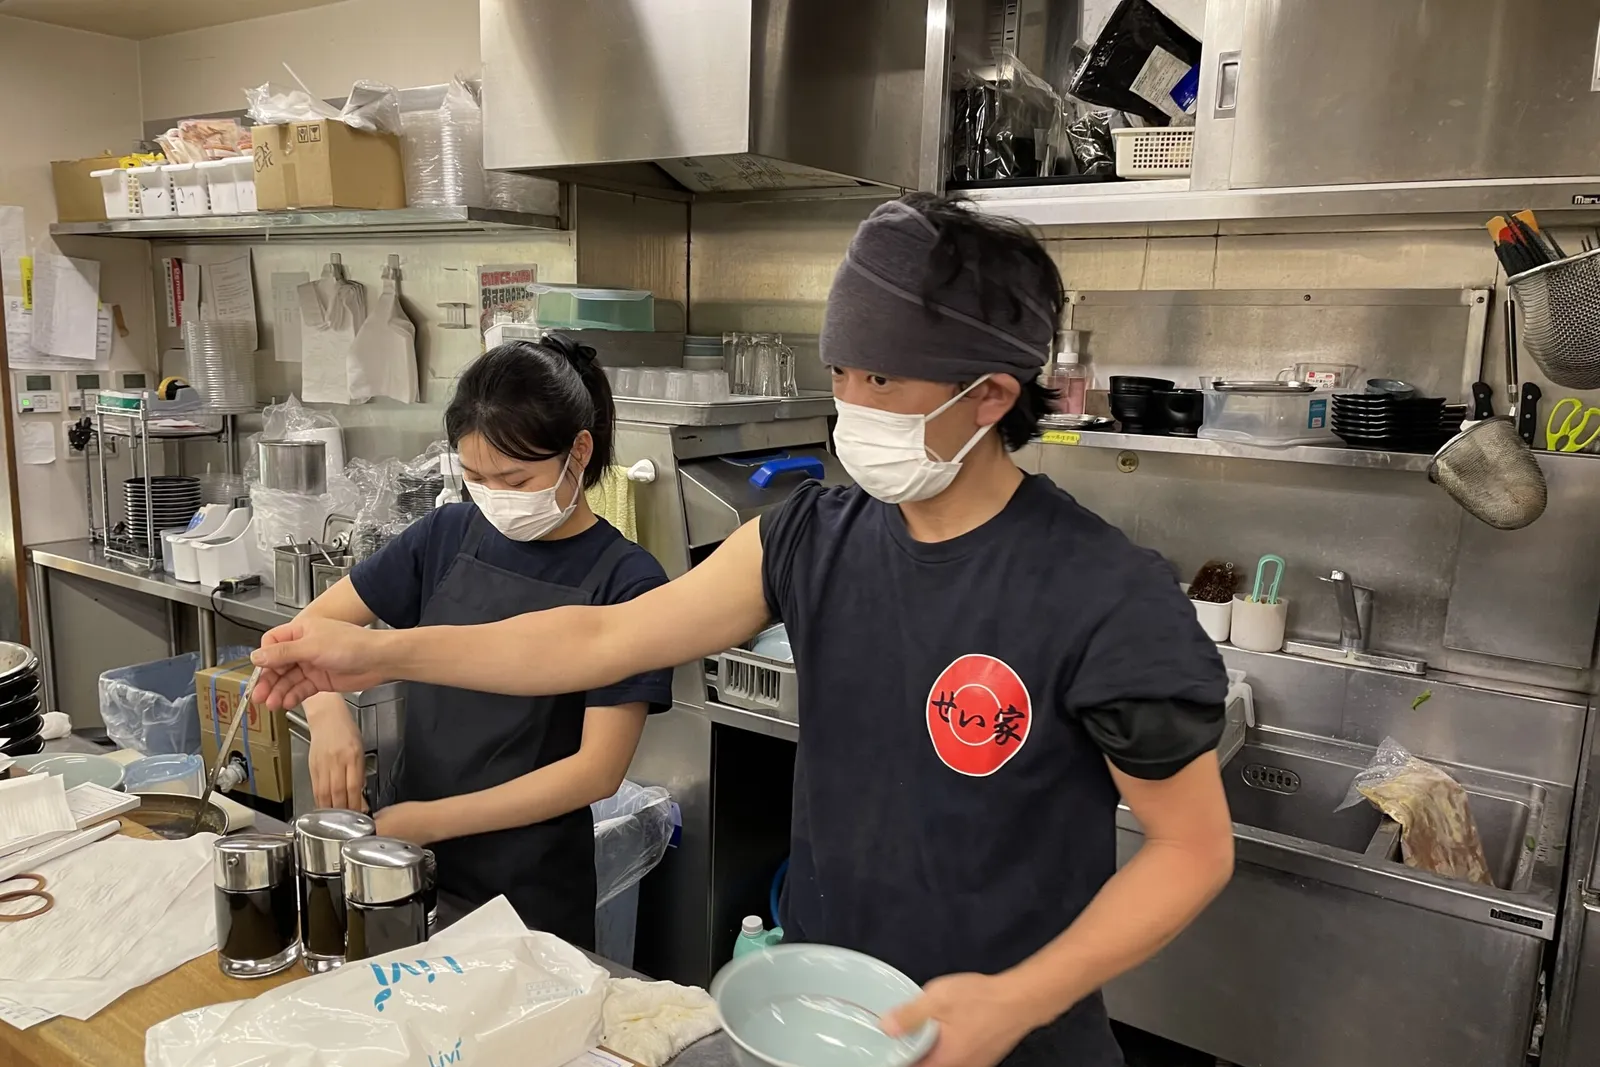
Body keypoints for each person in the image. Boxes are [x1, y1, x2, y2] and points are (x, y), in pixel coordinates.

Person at [252, 194, 1235, 1067]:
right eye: (840, 369)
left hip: (1008, 1040)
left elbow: (1191, 847)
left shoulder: (1103, 590)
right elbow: (598, 641)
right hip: (819, 1013)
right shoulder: (809, 536)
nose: (850, 404)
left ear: (989, 396)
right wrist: (375, 650)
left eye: (883, 381)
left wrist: (1016, 998)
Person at [292, 333, 672, 947]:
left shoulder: (626, 581)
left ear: (579, 452)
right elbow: (307, 633)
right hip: (407, 863)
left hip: (529, 890)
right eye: (474, 477)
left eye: (516, 480)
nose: (494, 497)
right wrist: (329, 710)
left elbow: (595, 771)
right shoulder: (446, 533)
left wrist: (430, 822)